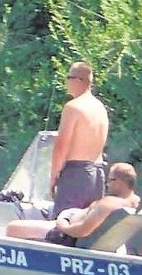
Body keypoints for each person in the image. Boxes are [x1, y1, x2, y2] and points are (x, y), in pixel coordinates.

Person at [7, 163, 140, 245]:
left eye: (110, 180)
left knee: (12, 227)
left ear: (121, 182)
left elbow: (82, 231)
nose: (107, 184)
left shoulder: (109, 203)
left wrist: (62, 224)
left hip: (67, 236)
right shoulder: (134, 202)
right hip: (71, 228)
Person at [50, 61, 109, 218]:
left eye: (68, 77)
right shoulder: (100, 108)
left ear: (78, 80)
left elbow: (61, 146)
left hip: (76, 173)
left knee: (63, 225)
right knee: (86, 228)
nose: (66, 81)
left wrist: (53, 178)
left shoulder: (73, 107)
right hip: (98, 174)